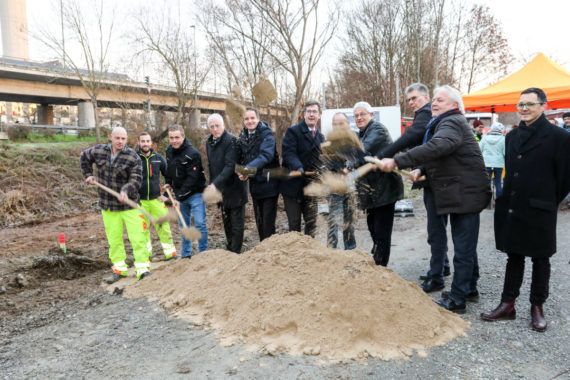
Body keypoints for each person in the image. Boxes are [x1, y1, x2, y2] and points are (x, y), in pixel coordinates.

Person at [379, 85, 491, 313]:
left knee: (463, 248)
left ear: (454, 105)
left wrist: (398, 160)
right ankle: (469, 288)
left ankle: (458, 300)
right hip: (463, 192)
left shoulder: (451, 122)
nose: (435, 103)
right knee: (465, 246)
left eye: (440, 100)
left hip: (466, 193)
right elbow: (443, 155)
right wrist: (421, 169)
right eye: (435, 100)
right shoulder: (444, 122)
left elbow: (438, 147)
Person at [481, 88, 570, 331]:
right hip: (513, 205)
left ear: (543, 106)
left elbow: (565, 177)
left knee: (541, 258)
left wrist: (549, 200)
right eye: (521, 104)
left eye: (530, 104)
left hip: (540, 206)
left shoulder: (559, 137)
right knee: (514, 255)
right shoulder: (511, 136)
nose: (524, 108)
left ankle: (537, 307)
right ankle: (507, 304)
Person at [380, 82, 451, 283]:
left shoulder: (426, 113)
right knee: (437, 227)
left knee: (436, 229)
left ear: (426, 98)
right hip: (431, 176)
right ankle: (442, 266)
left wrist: (388, 153)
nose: (411, 102)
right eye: (408, 99)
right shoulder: (428, 114)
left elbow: (415, 135)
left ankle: (437, 275)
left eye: (415, 98)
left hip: (437, 180)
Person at [80, 126, 150, 283]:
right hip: (108, 205)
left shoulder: (133, 157)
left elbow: (136, 179)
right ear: (111, 137)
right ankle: (119, 270)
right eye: (117, 138)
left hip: (130, 206)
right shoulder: (98, 151)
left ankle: (143, 270)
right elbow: (84, 157)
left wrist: (125, 190)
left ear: (126, 140)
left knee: (138, 238)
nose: (120, 141)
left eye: (123, 139)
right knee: (114, 240)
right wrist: (88, 174)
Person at [354, 101, 403, 266]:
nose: (359, 118)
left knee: (381, 232)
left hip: (385, 190)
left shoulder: (377, 130)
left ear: (371, 115)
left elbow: (361, 150)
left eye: (362, 114)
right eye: (356, 116)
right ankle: (377, 261)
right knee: (372, 228)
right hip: (372, 192)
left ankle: (381, 267)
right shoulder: (361, 133)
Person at [280, 100, 324, 237]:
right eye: (309, 111)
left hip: (311, 188)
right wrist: (298, 167)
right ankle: (295, 255)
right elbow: (288, 153)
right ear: (304, 114)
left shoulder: (321, 137)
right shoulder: (293, 132)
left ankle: (309, 254)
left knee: (312, 223)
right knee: (294, 225)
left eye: (314, 111)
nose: (311, 114)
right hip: (292, 187)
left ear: (319, 115)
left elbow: (322, 160)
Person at [206, 113, 248, 253]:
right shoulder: (209, 142)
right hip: (221, 190)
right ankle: (230, 248)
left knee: (236, 223)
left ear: (223, 125)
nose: (215, 129)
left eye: (217, 126)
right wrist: (214, 184)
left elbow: (230, 166)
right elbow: (212, 166)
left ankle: (235, 252)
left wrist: (214, 184)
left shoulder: (231, 141)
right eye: (212, 127)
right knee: (226, 222)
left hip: (235, 188)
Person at [237, 107, 280, 241]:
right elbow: (242, 158)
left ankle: (270, 252)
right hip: (255, 185)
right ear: (243, 121)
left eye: (252, 118)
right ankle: (263, 249)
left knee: (268, 223)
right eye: (246, 119)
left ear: (258, 119)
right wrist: (240, 171)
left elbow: (265, 156)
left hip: (269, 184)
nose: (250, 121)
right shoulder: (243, 136)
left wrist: (247, 170)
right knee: (259, 221)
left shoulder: (266, 134)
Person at [165, 124, 208, 258]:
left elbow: (192, 179)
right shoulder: (169, 151)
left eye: (177, 137)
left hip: (196, 193)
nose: (174, 141)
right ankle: (186, 254)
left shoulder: (193, 153)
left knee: (200, 224)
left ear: (183, 137)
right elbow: (170, 170)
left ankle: (203, 254)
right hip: (180, 195)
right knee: (184, 225)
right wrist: (168, 182)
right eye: (171, 138)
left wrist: (178, 198)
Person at [136, 132, 177, 260]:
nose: (145, 144)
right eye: (143, 141)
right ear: (139, 143)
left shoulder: (158, 158)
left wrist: (165, 194)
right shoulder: (134, 158)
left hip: (157, 199)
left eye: (147, 141)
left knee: (164, 227)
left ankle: (170, 254)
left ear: (151, 143)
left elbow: (169, 176)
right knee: (142, 230)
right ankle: (146, 256)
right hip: (140, 201)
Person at [324, 112, 356, 250]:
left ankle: (350, 249)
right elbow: (327, 161)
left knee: (350, 222)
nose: (338, 126)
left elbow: (358, 159)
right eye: (335, 124)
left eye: (341, 123)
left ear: (347, 124)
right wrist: (340, 169)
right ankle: (331, 251)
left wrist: (349, 167)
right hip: (334, 188)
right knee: (334, 222)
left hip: (351, 187)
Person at [479, 122, 505, 199]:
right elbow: (505, 152)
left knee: (487, 183)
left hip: (486, 163)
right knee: (498, 184)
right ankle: (499, 202)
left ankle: (486, 201)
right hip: (498, 164)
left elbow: (479, 150)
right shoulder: (503, 139)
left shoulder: (485, 138)